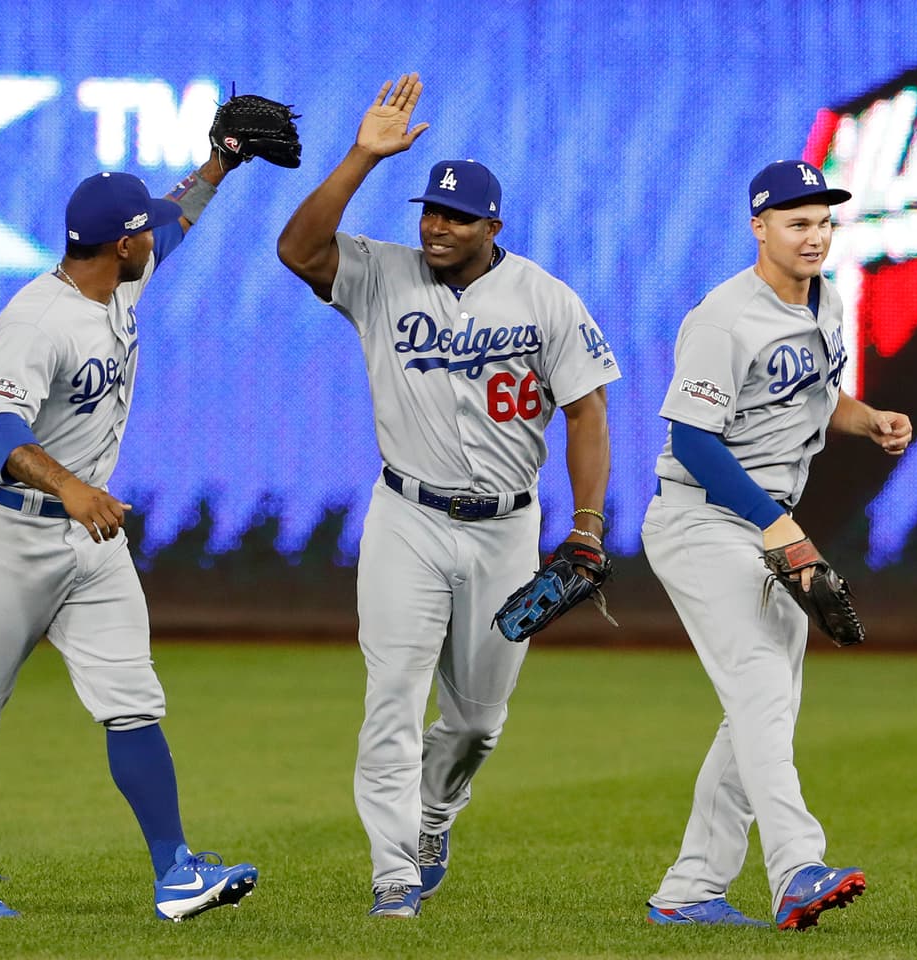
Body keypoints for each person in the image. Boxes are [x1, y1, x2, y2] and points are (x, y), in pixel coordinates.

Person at [276, 73, 621, 918]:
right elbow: (297, 251)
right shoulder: (381, 274)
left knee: (476, 722)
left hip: (508, 531)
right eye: (430, 210)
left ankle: (434, 816)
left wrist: (585, 528)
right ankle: (392, 872)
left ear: (492, 227)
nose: (438, 225)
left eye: (458, 216)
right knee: (391, 697)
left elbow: (587, 411)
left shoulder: (544, 298)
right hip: (408, 518)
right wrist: (362, 155)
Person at [0, 144, 287, 920]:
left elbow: (177, 219)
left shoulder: (115, 281)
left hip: (89, 537)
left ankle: (177, 872)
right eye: (143, 230)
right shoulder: (37, 318)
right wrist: (71, 486)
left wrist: (219, 166)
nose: (156, 235)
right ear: (121, 244)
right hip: (2, 532)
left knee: (132, 699)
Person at [641, 159, 913, 929]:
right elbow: (693, 441)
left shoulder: (826, 302)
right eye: (798, 222)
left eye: (824, 221)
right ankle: (797, 867)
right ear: (758, 227)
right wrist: (778, 528)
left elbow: (814, 395)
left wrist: (869, 421)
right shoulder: (725, 316)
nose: (815, 235)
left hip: (764, 523)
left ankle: (691, 890)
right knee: (761, 687)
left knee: (760, 709)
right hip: (703, 519)